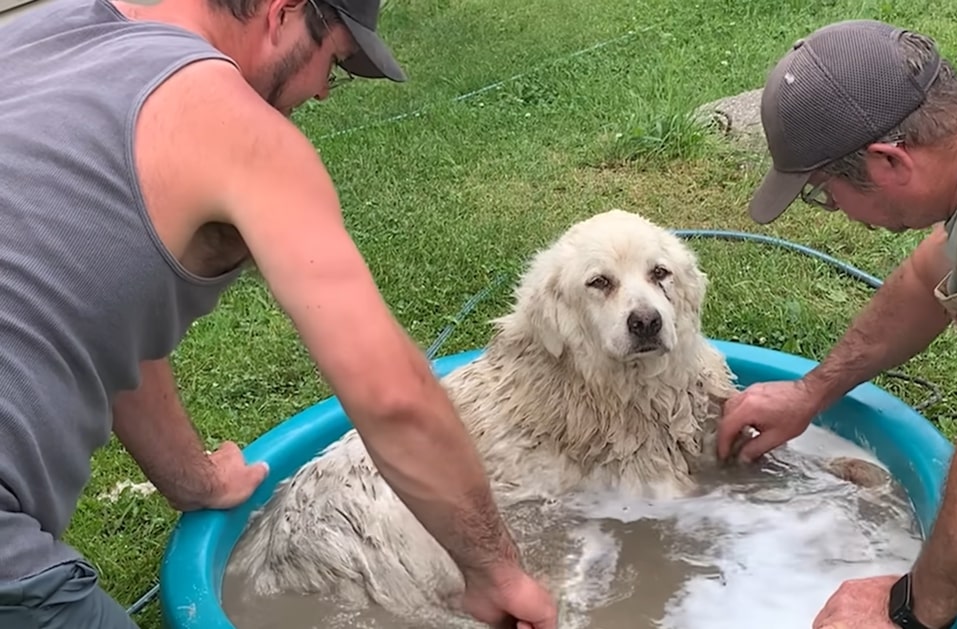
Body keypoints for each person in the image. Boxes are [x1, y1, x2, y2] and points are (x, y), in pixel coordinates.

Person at [0, 0, 558, 627]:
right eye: (335, 62)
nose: (321, 93)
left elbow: (111, 308)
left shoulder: (42, 40)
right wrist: (499, 574)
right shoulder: (230, 125)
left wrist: (196, 482)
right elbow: (391, 394)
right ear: (283, 12)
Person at [715, 18, 957, 629]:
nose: (834, 212)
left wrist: (908, 609)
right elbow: (921, 283)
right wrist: (811, 392)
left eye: (823, 193)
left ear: (887, 160)